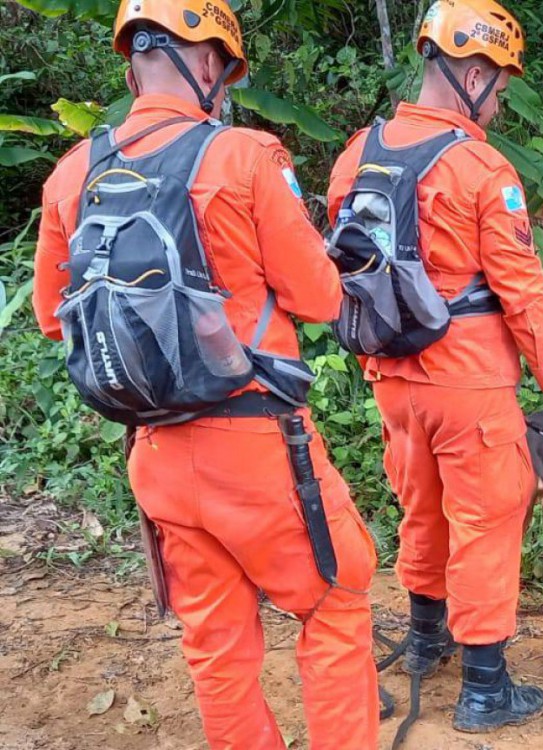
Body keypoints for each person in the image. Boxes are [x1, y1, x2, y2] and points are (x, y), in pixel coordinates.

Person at [31, 1, 379, 748]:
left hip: (155, 457)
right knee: (339, 595)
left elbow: (54, 319)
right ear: (211, 63)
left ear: (132, 63)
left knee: (216, 643)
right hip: (255, 450)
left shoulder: (72, 174)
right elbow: (320, 299)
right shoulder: (246, 156)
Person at [327, 0, 543, 733]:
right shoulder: (483, 167)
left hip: (392, 381)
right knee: (486, 522)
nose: (500, 100)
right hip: (470, 385)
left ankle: (427, 640)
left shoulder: (358, 151)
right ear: (475, 71)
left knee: (421, 509)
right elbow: (522, 285)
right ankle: (486, 687)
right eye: (500, 85)